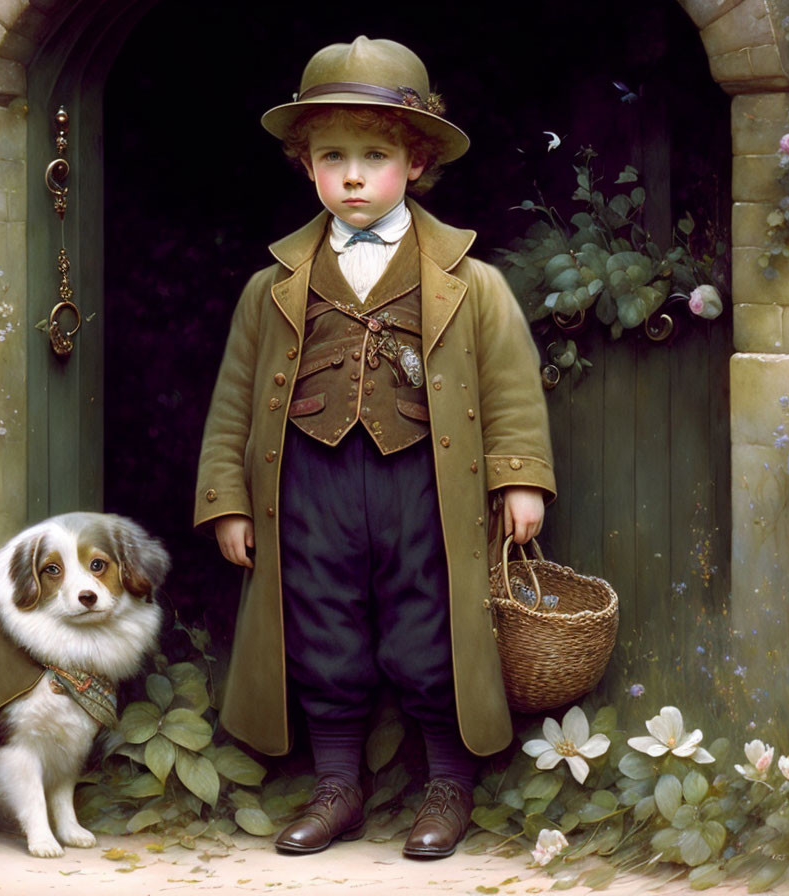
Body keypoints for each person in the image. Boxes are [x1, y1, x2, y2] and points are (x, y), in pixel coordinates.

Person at [194, 36, 555, 859]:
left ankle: (446, 785)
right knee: (322, 627)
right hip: (308, 481)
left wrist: (520, 479)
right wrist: (229, 498)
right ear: (306, 165)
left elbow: (508, 387)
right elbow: (235, 402)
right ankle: (337, 785)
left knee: (429, 627)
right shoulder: (273, 286)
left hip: (426, 482)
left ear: (416, 161)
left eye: (375, 155)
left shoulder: (471, 280)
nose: (352, 175)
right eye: (332, 157)